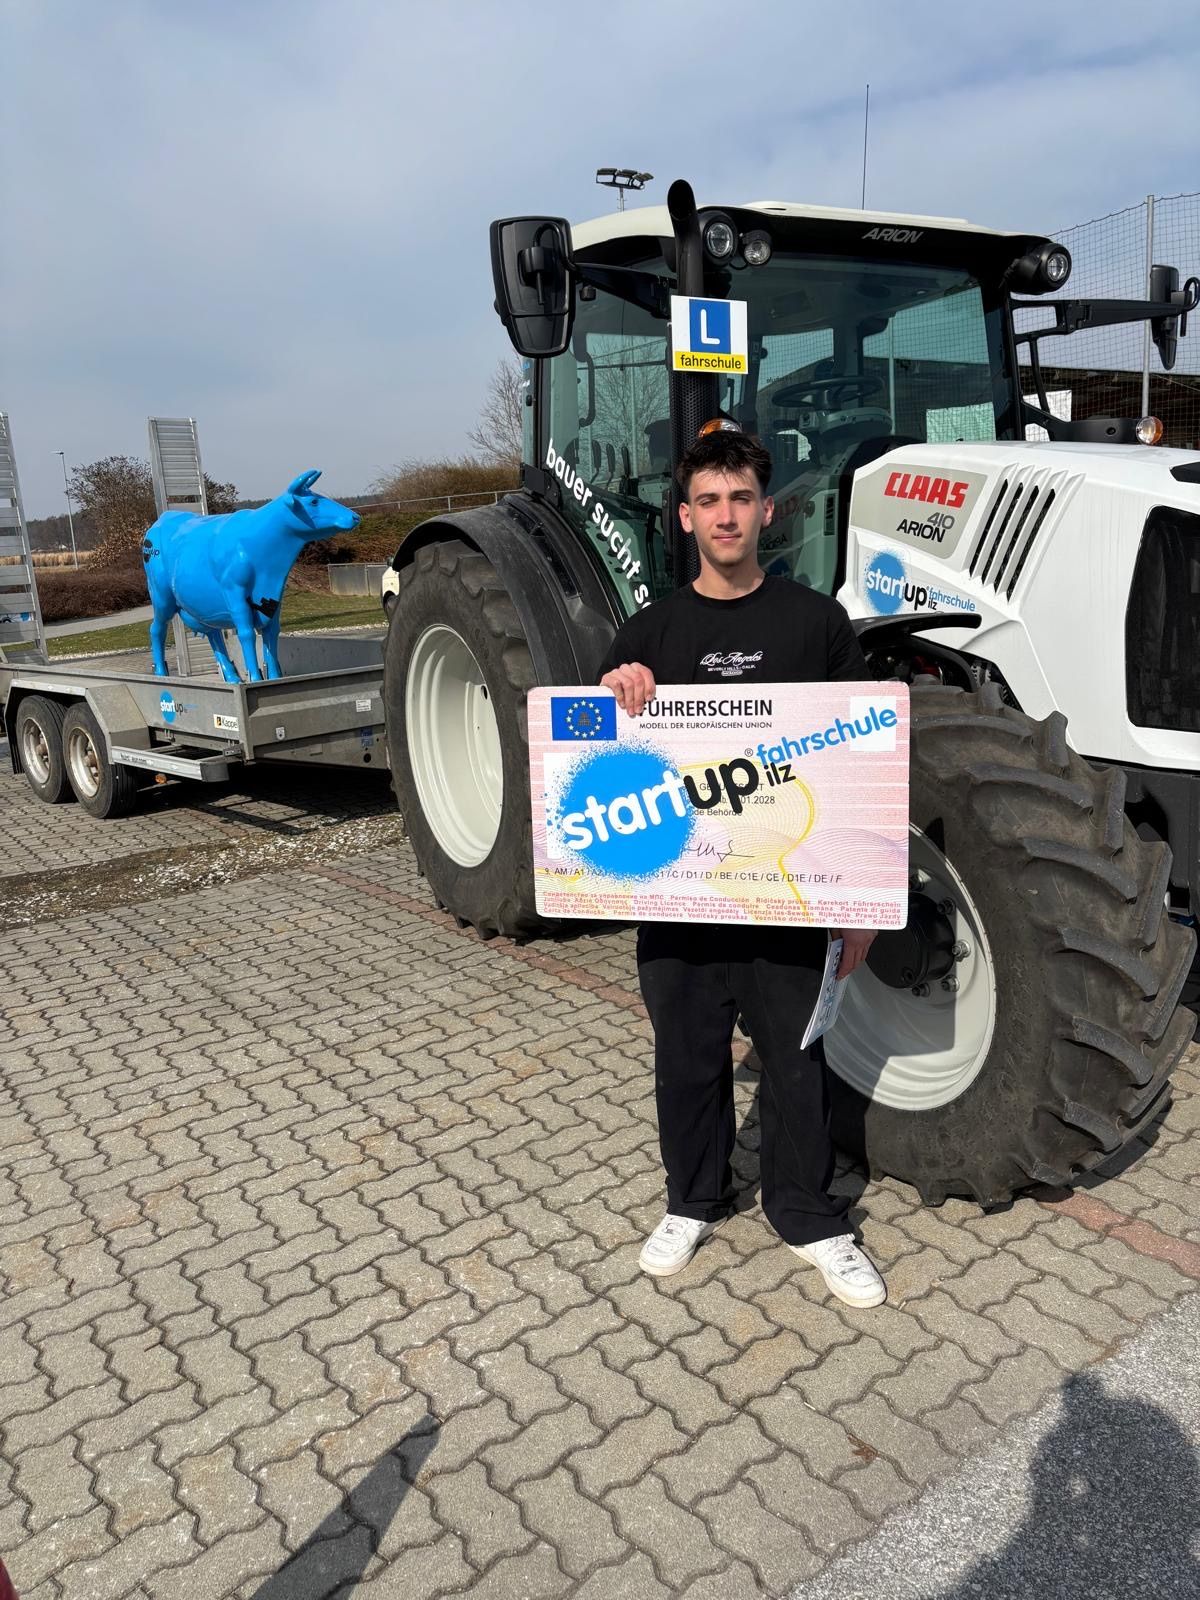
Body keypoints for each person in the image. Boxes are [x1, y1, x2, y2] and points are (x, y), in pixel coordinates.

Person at [598, 427, 886, 1309]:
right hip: (682, 904)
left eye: (741, 500)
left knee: (797, 1065)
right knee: (686, 1057)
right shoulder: (645, 632)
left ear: (768, 511)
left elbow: (860, 764)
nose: (726, 516)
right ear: (685, 519)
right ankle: (694, 1198)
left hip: (788, 895)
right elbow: (595, 766)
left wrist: (863, 905)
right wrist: (614, 694)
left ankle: (809, 1214)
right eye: (709, 502)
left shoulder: (817, 624)